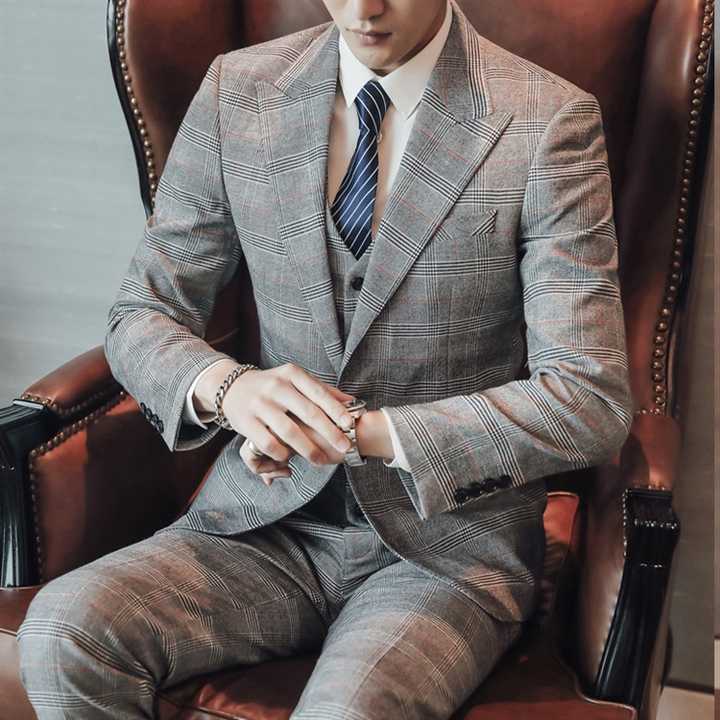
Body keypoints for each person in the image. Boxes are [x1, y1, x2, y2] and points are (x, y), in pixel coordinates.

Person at [17, 0, 634, 718]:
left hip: (444, 552)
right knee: (63, 632)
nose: (364, 9)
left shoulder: (547, 121)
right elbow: (142, 313)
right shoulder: (238, 91)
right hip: (262, 527)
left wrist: (359, 434)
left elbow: (588, 396)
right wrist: (229, 390)